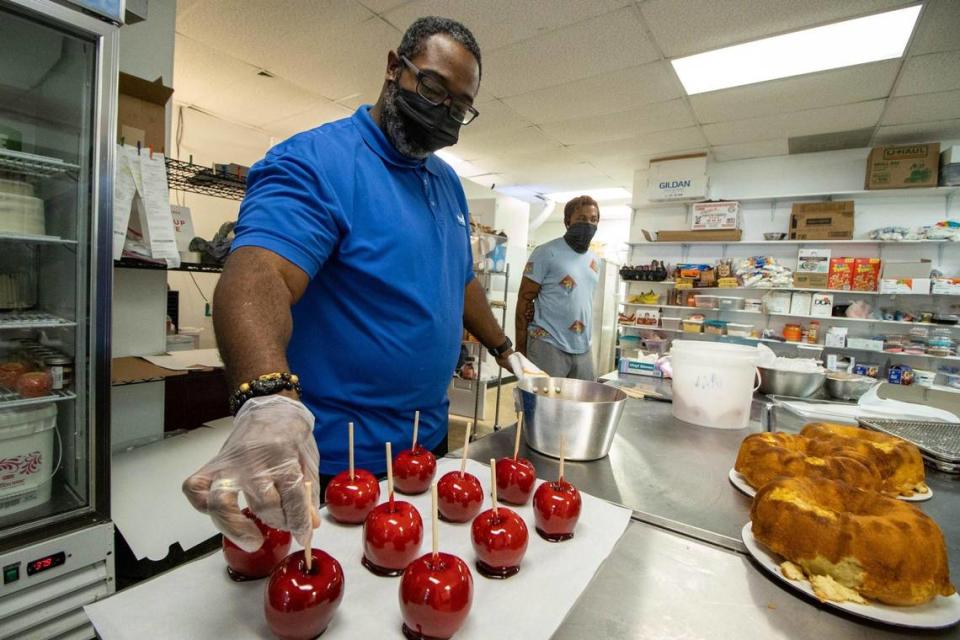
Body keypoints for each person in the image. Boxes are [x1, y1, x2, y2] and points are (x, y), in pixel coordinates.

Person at [182, 17, 515, 550]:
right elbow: (259, 270)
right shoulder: (317, 162)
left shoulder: (447, 182)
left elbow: (462, 278)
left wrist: (502, 346)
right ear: (393, 67)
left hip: (427, 442)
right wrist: (266, 397)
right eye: (433, 89)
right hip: (343, 459)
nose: (443, 113)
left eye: (460, 107)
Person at [515, 196, 601, 380]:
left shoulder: (595, 261)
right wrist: (520, 348)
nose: (588, 224)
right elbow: (524, 299)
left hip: (584, 347)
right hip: (548, 344)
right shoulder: (545, 252)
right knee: (544, 406)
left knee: (582, 406)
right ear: (567, 222)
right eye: (581, 219)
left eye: (593, 220)